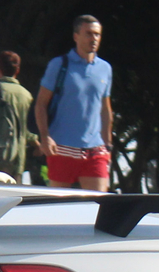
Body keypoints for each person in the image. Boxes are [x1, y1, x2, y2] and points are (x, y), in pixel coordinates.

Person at [32, 14, 115, 191]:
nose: (94, 39)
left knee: (98, 207)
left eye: (97, 34)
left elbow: (105, 108)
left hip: (95, 150)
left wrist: (108, 145)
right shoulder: (59, 65)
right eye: (88, 33)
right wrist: (45, 137)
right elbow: (41, 104)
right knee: (59, 208)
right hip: (61, 148)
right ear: (76, 36)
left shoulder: (105, 69)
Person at [0, 50, 35, 179]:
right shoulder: (26, 95)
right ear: (18, 70)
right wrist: (37, 144)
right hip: (14, 158)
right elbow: (28, 130)